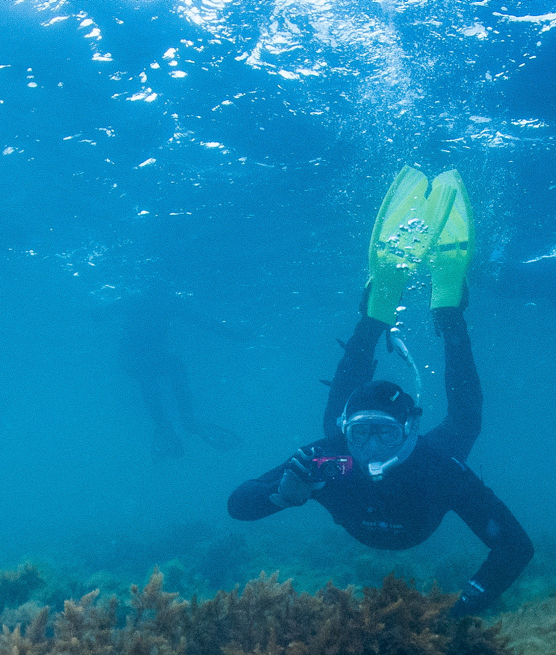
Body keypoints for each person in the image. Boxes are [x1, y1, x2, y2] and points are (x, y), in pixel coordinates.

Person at [227, 167, 533, 616]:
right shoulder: (326, 463)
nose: (369, 447)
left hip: (425, 458)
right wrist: (281, 497)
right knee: (335, 421)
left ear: (410, 430)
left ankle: (447, 314)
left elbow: (515, 548)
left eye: (385, 433)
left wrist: (457, 610)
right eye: (361, 434)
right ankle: (375, 315)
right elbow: (238, 505)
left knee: (464, 422)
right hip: (345, 443)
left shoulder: (441, 470)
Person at [94, 288, 245, 461]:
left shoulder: (140, 300)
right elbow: (203, 321)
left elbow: (99, 314)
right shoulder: (166, 302)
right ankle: (179, 422)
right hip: (134, 357)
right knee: (153, 372)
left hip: (140, 356)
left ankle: (177, 423)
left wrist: (233, 333)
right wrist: (234, 333)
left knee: (166, 369)